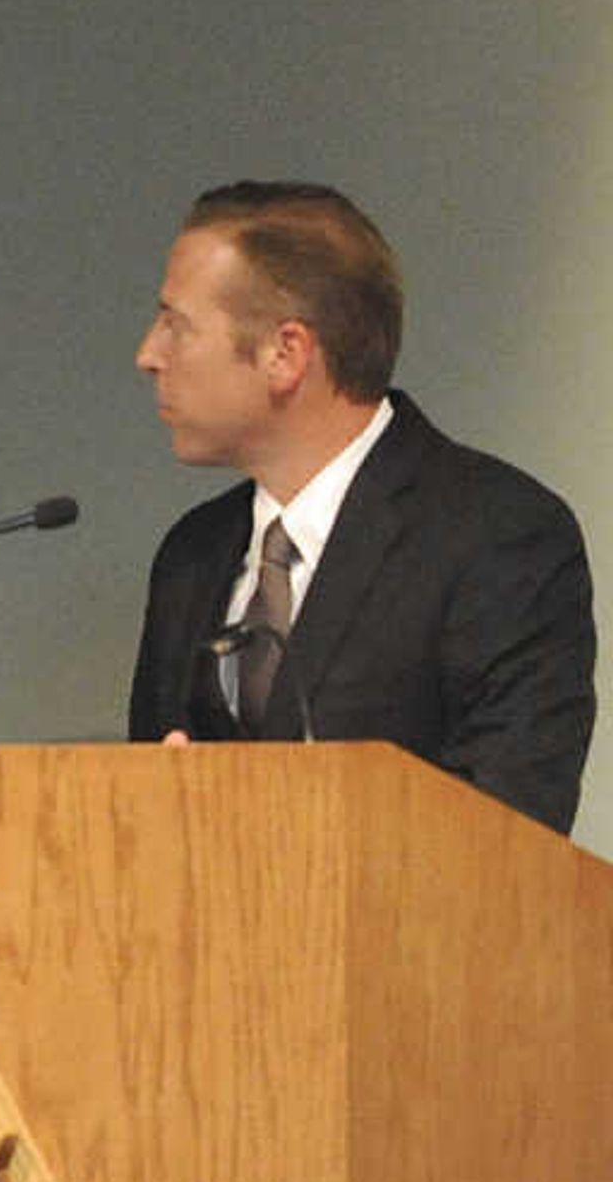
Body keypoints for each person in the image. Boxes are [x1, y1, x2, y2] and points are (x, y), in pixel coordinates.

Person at [128, 180, 595, 832]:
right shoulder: (192, 554)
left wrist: (253, 822)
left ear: (286, 354)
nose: (148, 355)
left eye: (176, 326)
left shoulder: (496, 536)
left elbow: (510, 829)